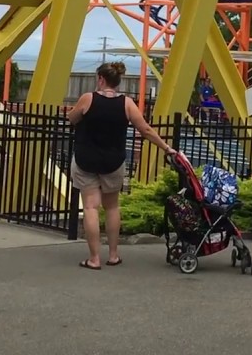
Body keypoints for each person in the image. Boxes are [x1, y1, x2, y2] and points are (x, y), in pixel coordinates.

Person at [66, 61, 175, 270]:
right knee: (112, 206)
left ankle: (94, 258)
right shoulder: (127, 104)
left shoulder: (88, 98)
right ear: (118, 81)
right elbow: (145, 129)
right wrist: (166, 147)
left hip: (86, 159)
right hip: (113, 160)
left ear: (101, 79)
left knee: (90, 207)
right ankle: (113, 255)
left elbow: (72, 117)